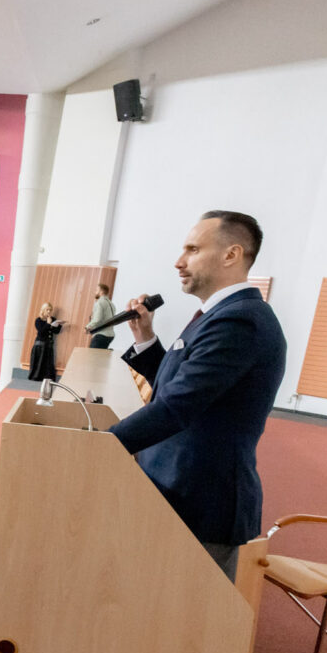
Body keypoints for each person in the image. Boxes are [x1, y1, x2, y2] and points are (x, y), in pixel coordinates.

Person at [108, 211, 286, 581]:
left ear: (230, 255)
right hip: (178, 491)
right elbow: (180, 388)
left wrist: (102, 446)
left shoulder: (239, 320)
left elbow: (177, 405)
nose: (178, 261)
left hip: (202, 501)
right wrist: (145, 339)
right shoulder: (217, 315)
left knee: (187, 626)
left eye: (192, 249)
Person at [27, 302, 65, 381]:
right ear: (43, 310)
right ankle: (36, 377)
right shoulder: (38, 320)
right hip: (40, 345)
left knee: (48, 363)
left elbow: (56, 331)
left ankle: (47, 378)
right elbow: (41, 331)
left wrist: (59, 324)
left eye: (50, 310)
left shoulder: (53, 319)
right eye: (47, 310)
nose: (49, 312)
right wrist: (48, 324)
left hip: (49, 345)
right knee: (39, 363)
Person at [86, 283, 117, 349]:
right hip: (110, 335)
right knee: (100, 357)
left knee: (92, 357)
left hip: (101, 335)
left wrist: (87, 327)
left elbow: (97, 319)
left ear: (101, 291)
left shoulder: (100, 302)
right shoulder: (112, 304)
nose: (95, 292)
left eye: (97, 290)